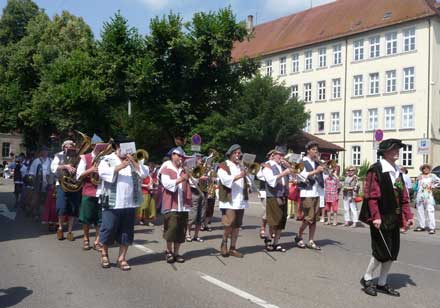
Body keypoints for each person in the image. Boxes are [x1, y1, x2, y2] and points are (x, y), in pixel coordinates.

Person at [359, 139, 414, 297]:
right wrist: (375, 216)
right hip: (380, 217)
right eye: (393, 149)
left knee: (392, 251)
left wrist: (408, 215)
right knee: (381, 251)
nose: (397, 151)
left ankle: (382, 282)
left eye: (397, 148)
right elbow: (371, 196)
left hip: (394, 217)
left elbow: (404, 196)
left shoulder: (397, 171)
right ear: (384, 152)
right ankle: (367, 278)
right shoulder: (376, 170)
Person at [98, 139, 149, 270]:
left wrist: (133, 162)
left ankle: (122, 258)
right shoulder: (107, 159)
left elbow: (144, 174)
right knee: (108, 229)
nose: (126, 151)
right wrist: (122, 165)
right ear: (116, 147)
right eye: (123, 147)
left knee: (126, 232)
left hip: (129, 202)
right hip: (112, 202)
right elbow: (102, 173)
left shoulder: (134, 160)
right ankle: (104, 253)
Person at [160, 146, 192, 263]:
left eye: (182, 156)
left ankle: (177, 252)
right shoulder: (166, 168)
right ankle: (168, 251)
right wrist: (181, 179)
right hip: (171, 203)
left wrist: (191, 175)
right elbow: (167, 184)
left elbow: (194, 184)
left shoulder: (185, 169)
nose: (180, 158)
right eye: (178, 155)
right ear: (173, 156)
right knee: (171, 229)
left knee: (180, 230)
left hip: (183, 204)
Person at [217, 144, 249, 258]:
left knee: (237, 225)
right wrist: (241, 175)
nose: (238, 155)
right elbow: (226, 181)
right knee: (229, 223)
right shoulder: (223, 166)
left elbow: (247, 180)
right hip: (229, 200)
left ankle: (233, 248)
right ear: (230, 154)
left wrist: (246, 174)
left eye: (239, 153)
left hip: (240, 199)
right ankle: (224, 242)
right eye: (235, 153)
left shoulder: (241, 166)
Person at [76, 138, 107, 251]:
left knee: (100, 219)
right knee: (86, 218)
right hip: (88, 191)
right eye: (99, 146)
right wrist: (91, 170)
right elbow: (78, 176)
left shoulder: (106, 159)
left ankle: (97, 241)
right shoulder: (85, 157)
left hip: (102, 191)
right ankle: (86, 238)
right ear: (94, 146)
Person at [295, 141, 324, 250]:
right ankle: (299, 235)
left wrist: (324, 169)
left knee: (314, 219)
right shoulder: (302, 162)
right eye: (313, 150)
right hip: (307, 192)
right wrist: (316, 171)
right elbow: (302, 176)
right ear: (308, 150)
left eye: (316, 150)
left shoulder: (317, 162)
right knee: (309, 217)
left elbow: (323, 174)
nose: (315, 152)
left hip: (317, 192)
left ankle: (311, 240)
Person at [262, 146, 291, 252]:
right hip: (273, 196)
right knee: (274, 220)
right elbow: (270, 181)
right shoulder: (267, 166)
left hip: (283, 195)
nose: (282, 157)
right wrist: (284, 173)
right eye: (280, 155)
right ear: (273, 155)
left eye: (283, 155)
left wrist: (290, 168)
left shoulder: (283, 166)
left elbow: (294, 178)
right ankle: (269, 241)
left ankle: (276, 243)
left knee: (281, 221)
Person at [51, 140, 81, 241]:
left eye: (71, 146)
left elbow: (82, 169)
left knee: (73, 208)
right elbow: (53, 168)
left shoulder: (78, 156)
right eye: (67, 147)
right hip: (62, 184)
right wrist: (66, 166)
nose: (69, 148)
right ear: (63, 147)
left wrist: (77, 170)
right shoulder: (58, 155)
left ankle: (69, 231)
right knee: (61, 207)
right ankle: (60, 228)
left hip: (74, 184)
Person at [186, 154, 208, 242]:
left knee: (201, 215)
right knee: (193, 215)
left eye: (201, 158)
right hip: (194, 191)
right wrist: (200, 177)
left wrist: (208, 177)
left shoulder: (203, 168)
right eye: (199, 158)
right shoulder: (191, 169)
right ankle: (187, 233)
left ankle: (196, 235)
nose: (201, 160)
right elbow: (192, 181)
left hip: (203, 192)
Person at [413, 164, 440, 234]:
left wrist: (433, 186)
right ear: (422, 169)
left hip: (428, 196)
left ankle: (432, 227)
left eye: (427, 168)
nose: (426, 170)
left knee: (430, 211)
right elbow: (416, 187)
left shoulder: (432, 176)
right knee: (420, 211)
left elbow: (439, 181)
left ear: (429, 169)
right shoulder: (420, 176)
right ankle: (422, 226)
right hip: (420, 196)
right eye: (424, 168)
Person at [28, 146, 52, 221]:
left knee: (46, 200)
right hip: (38, 183)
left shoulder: (51, 160)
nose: (45, 152)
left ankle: (45, 215)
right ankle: (36, 213)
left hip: (48, 183)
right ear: (41, 152)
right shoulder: (36, 161)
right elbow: (31, 173)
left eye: (46, 151)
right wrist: (33, 183)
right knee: (36, 199)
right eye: (43, 151)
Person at [256, 149, 274, 239]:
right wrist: (269, 177)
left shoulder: (276, 165)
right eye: (272, 155)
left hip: (274, 191)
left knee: (273, 212)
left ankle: (271, 229)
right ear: (269, 156)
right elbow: (259, 175)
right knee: (267, 211)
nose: (273, 157)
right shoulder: (264, 165)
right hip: (264, 191)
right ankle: (262, 228)